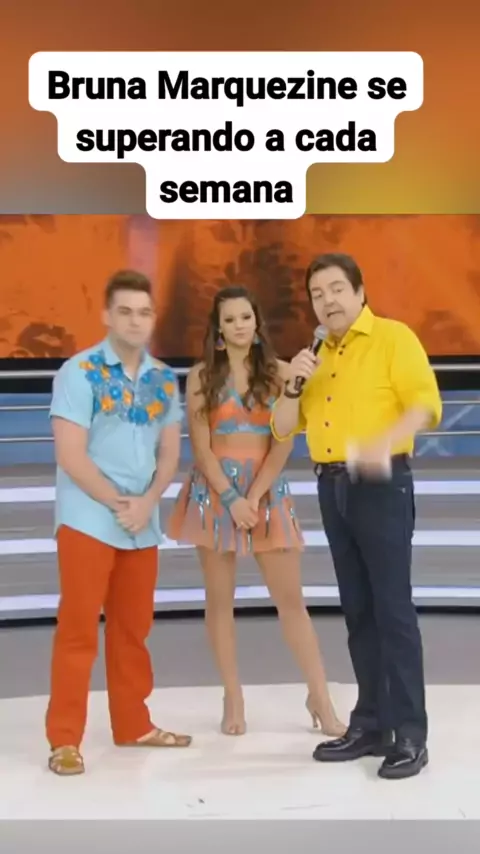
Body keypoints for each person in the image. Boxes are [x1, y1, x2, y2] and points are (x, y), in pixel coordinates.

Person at [271, 253, 442, 781]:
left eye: (336, 289)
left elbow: (426, 406)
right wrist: (293, 383)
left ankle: (410, 733)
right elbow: (282, 427)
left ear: (360, 291)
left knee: (392, 611)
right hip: (332, 487)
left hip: (381, 484)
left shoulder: (393, 338)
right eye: (317, 294)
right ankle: (371, 724)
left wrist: (382, 444)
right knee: (358, 611)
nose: (327, 301)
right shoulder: (315, 355)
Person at [168, 285, 346, 738]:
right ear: (218, 329)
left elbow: (284, 441)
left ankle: (320, 697)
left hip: (266, 495)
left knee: (292, 603)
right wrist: (231, 499)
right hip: (214, 496)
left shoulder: (283, 373)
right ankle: (233, 696)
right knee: (219, 602)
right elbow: (201, 448)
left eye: (246, 317)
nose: (239, 325)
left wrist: (256, 496)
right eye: (229, 319)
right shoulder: (201, 377)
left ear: (257, 322)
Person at [45, 270, 192, 776]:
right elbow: (70, 453)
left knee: (133, 629)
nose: (135, 321)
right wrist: (119, 503)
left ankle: (133, 723)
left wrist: (148, 501)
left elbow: (169, 452)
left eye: (144, 312)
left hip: (141, 522)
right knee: (79, 628)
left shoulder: (163, 379)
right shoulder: (78, 372)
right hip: (89, 517)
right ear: (107, 315)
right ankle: (65, 738)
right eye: (125, 311)